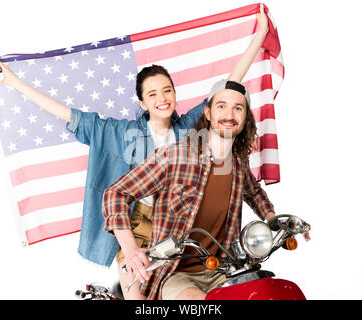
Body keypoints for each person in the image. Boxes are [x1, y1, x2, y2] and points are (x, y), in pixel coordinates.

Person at [0, 4, 271, 299]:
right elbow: (69, 115)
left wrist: (259, 36)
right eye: (152, 94)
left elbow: (227, 90)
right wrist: (16, 84)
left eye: (167, 90)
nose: (162, 98)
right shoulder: (117, 132)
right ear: (142, 103)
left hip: (181, 221)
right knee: (137, 297)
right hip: (137, 222)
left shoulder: (191, 126)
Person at [103, 77, 281, 300]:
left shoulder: (236, 164)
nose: (229, 114)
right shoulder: (175, 157)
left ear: (245, 118)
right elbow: (116, 193)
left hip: (223, 269)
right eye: (221, 106)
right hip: (175, 273)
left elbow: (253, 192)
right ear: (207, 113)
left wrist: (274, 218)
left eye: (238, 108)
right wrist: (130, 250)